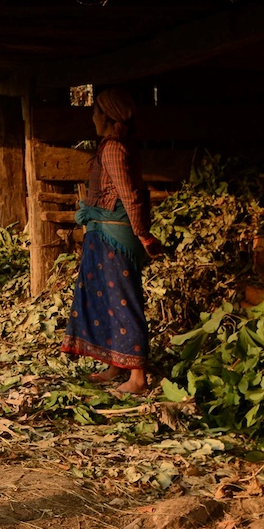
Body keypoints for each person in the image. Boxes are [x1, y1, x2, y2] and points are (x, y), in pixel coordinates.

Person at [61, 87, 162, 394]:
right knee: (106, 299)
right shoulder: (110, 146)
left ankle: (138, 377)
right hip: (101, 235)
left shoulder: (114, 149)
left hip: (113, 236)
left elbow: (129, 194)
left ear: (106, 117)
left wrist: (143, 234)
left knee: (122, 299)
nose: (91, 117)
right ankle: (116, 365)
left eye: (95, 112)